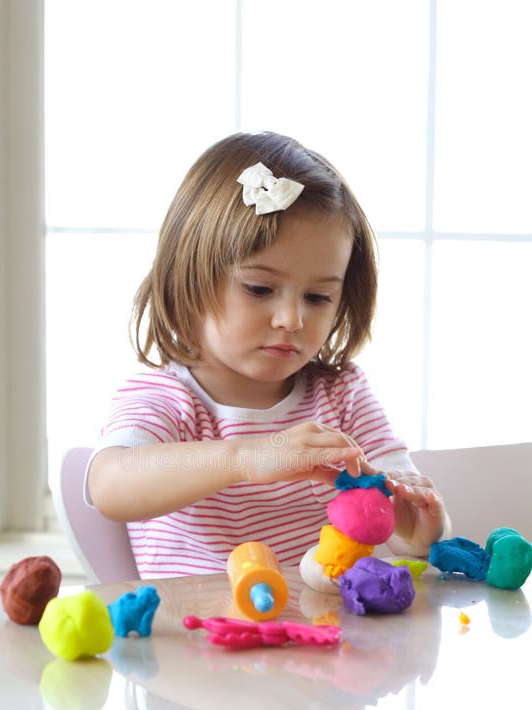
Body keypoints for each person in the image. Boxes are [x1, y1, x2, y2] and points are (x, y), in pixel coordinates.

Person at [87, 131, 450, 578]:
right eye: (259, 289)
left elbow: (398, 498)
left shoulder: (341, 395)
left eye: (318, 297)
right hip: (200, 638)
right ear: (189, 276)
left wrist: (415, 530)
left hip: (334, 638)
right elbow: (110, 483)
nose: (292, 319)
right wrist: (244, 457)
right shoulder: (166, 400)